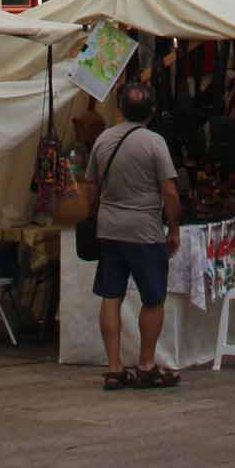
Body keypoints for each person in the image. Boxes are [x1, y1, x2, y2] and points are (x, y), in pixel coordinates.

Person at [83, 79, 181, 392]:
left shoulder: (102, 140)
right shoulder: (154, 143)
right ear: (152, 111)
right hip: (144, 230)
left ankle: (113, 368)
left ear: (119, 108)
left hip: (109, 229)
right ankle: (146, 364)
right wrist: (174, 226)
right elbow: (169, 190)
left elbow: (91, 188)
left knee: (111, 296)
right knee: (153, 298)